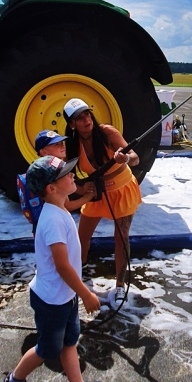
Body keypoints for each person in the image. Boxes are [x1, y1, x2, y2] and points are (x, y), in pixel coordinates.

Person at [4, 154, 103, 382]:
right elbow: (62, 266)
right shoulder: (52, 221)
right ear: (51, 188)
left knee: (69, 342)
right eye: (66, 175)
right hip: (52, 301)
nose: (73, 176)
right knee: (46, 349)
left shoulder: (59, 208)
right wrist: (86, 294)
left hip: (64, 296)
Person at [63, 98, 141, 306]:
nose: (86, 120)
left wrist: (126, 158)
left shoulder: (107, 133)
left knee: (121, 238)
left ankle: (119, 285)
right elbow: (65, 175)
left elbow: (135, 158)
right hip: (97, 192)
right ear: (72, 124)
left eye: (87, 114)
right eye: (79, 118)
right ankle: (78, 275)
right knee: (81, 236)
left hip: (122, 189)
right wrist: (81, 189)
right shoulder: (71, 144)